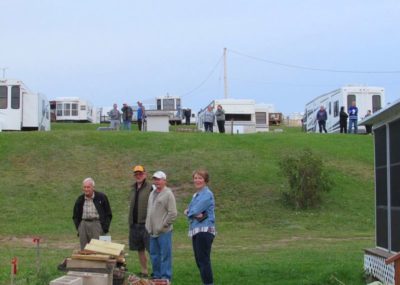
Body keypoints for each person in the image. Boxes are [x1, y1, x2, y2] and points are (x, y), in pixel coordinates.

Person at [184, 169, 216, 285]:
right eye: (196, 178)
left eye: (200, 178)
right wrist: (191, 212)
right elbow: (190, 211)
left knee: (203, 261)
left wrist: (190, 212)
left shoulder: (207, 194)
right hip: (196, 230)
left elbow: (193, 210)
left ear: (205, 180)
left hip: (204, 231)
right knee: (199, 261)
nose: (197, 180)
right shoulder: (196, 195)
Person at [145, 171, 177, 281]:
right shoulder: (152, 193)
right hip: (152, 231)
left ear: (164, 180)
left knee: (165, 255)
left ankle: (165, 278)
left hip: (164, 232)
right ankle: (157, 276)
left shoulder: (168, 194)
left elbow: (173, 213)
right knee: (154, 255)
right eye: (155, 179)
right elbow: (150, 210)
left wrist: (163, 226)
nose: (156, 181)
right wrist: (148, 225)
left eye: (159, 179)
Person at [73, 178, 112, 250]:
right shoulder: (80, 199)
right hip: (83, 225)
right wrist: (79, 228)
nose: (86, 189)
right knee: (84, 250)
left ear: (93, 187)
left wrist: (104, 228)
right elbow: (75, 216)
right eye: (84, 187)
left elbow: (108, 214)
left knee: (99, 249)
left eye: (88, 187)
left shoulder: (102, 197)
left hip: (97, 224)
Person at [129, 165, 153, 277]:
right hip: (135, 223)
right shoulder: (133, 188)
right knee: (140, 249)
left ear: (145, 174)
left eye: (140, 173)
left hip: (146, 224)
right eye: (136, 174)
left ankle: (156, 271)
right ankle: (144, 271)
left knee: (151, 249)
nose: (138, 176)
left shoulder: (151, 188)